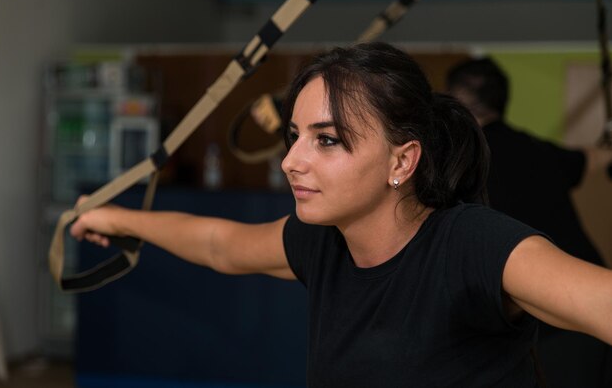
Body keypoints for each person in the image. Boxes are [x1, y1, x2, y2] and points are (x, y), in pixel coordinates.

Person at [71, 42, 612, 388]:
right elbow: (220, 244)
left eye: (326, 140)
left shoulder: (471, 245)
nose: (290, 161)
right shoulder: (324, 242)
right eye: (293, 137)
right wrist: (118, 220)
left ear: (402, 160)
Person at [446, 56, 612, 387]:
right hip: (585, 309)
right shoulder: (534, 148)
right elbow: (590, 158)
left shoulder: (457, 163)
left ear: (456, 100)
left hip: (549, 321)